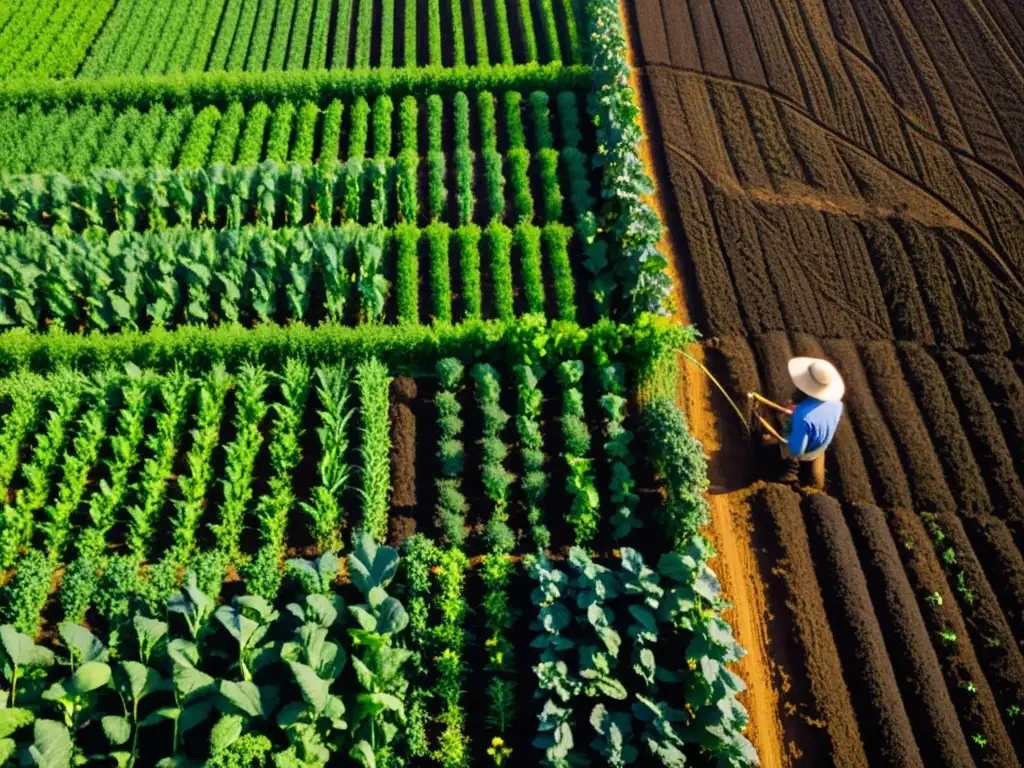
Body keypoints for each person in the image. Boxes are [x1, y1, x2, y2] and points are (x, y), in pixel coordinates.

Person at [768, 357, 845, 490]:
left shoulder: (803, 416)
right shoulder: (837, 404)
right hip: (822, 444)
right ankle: (817, 484)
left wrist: (791, 426)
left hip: (804, 449)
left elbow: (796, 449)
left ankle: (789, 473)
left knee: (767, 442)